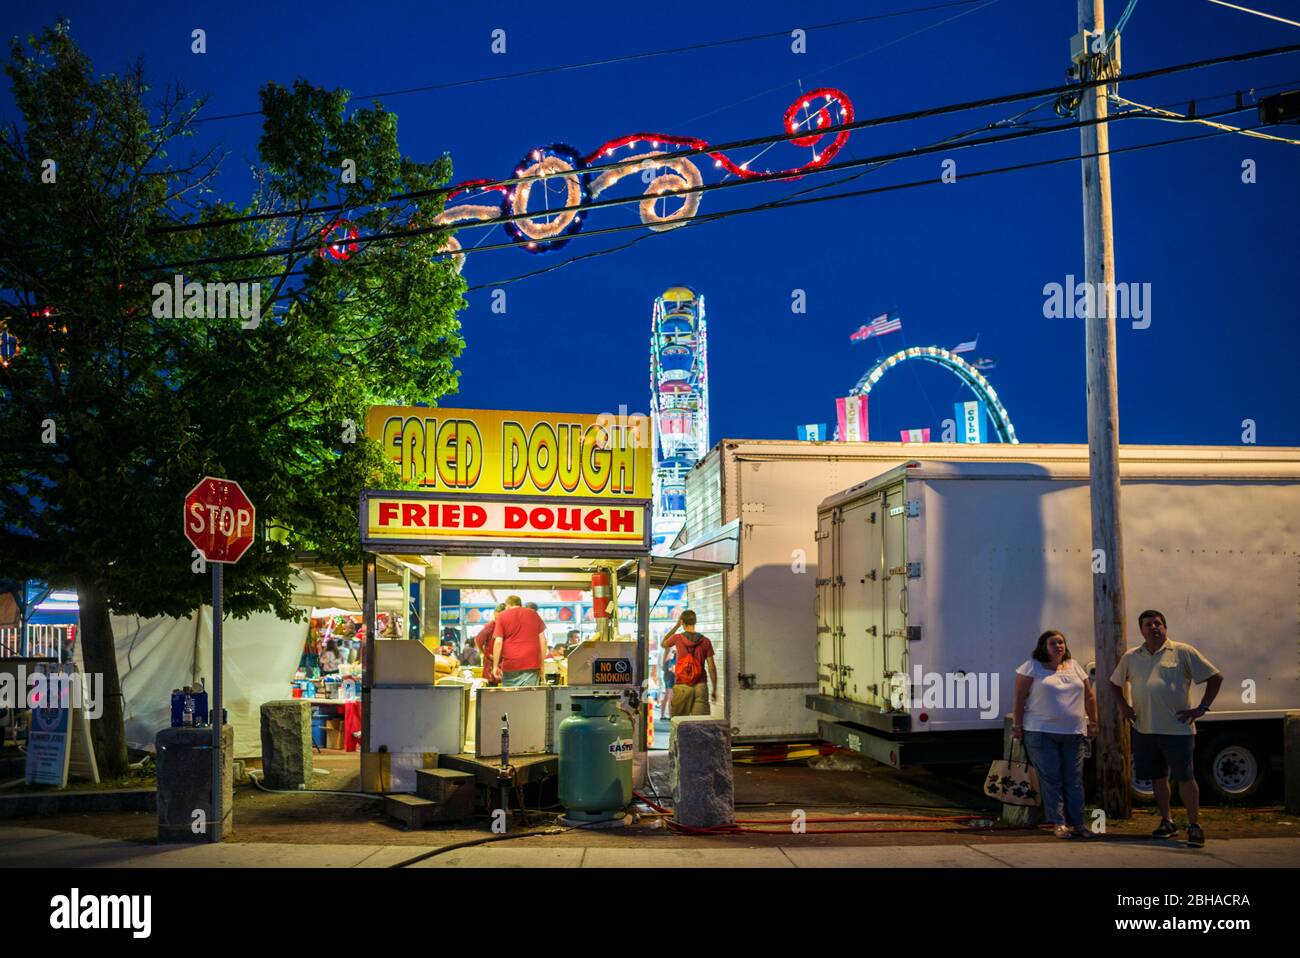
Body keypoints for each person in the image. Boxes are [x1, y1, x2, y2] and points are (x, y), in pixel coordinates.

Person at [1110, 610, 1222, 848]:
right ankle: (1167, 822)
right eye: (1148, 625)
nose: (1154, 628)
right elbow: (1114, 683)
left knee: (1185, 777)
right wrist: (1123, 707)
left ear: (1165, 627)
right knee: (1158, 778)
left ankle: (1194, 825)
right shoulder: (1132, 657)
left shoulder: (1182, 652)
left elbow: (1215, 677)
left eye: (1158, 624)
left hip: (1178, 731)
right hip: (1145, 729)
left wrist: (1201, 708)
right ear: (1141, 630)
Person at [1012, 630, 1098, 839]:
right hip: (1041, 731)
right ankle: (1059, 823)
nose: (1058, 646)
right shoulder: (1032, 667)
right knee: (1052, 778)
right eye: (1053, 643)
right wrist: (1017, 725)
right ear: (1043, 646)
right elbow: (1019, 697)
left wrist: (1094, 722)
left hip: (1074, 732)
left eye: (1061, 642)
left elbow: (1089, 696)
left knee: (1074, 778)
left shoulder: (1074, 666)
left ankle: (1079, 823)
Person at [660, 610, 716, 716]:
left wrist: (676, 626)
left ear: (682, 622)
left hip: (682, 686)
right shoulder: (705, 641)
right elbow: (712, 667)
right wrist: (714, 689)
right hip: (700, 686)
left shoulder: (677, 638)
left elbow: (663, 643)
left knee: (679, 724)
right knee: (700, 725)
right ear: (695, 622)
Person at [491, 595, 547, 687]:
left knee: (511, 699)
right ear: (520, 604)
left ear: (507, 606)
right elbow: (543, 641)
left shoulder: (502, 616)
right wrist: (542, 665)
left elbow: (498, 642)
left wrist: (495, 666)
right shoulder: (533, 614)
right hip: (531, 664)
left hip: (510, 665)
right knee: (529, 698)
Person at [474, 604, 506, 686]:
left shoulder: (507, 626)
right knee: (491, 689)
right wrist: (484, 653)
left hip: (504, 663)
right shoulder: (490, 626)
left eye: (500, 619)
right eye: (496, 618)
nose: (497, 621)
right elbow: (478, 640)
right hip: (491, 663)